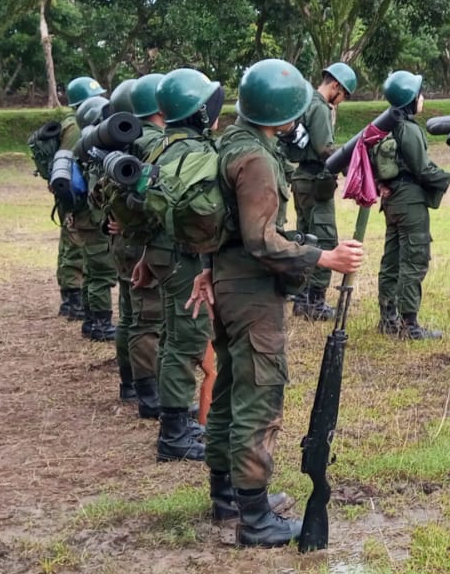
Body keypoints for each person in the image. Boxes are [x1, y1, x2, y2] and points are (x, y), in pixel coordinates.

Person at [185, 58, 364, 547]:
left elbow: (222, 224)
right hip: (251, 294)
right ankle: (256, 519)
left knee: (228, 393)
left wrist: (208, 269)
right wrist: (323, 256)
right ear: (282, 110)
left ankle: (228, 497)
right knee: (258, 399)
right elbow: (261, 240)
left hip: (228, 283)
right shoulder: (259, 160)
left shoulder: (233, 143)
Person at [134, 69, 224, 463]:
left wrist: (146, 256)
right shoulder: (197, 154)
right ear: (199, 111)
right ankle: (174, 435)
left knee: (173, 338)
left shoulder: (159, 149)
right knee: (186, 344)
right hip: (184, 259)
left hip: (161, 253)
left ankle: (179, 421)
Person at [374, 71, 450, 341]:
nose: (422, 98)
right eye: (419, 94)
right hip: (410, 201)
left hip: (392, 200)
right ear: (410, 99)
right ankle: (410, 325)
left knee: (392, 259)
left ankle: (388, 318)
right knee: (413, 259)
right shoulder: (408, 129)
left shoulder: (388, 126)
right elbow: (423, 170)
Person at [106, 78, 165, 413]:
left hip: (123, 241)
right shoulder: (154, 143)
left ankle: (131, 385)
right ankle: (150, 395)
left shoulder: (118, 139)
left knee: (130, 315)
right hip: (143, 243)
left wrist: (113, 219)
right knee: (148, 320)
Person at [281, 62, 356, 322]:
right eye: (344, 94)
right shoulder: (320, 107)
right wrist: (351, 161)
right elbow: (325, 149)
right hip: (316, 181)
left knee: (305, 238)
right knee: (324, 238)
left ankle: (301, 298)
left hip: (301, 179)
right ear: (335, 85)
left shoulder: (303, 102)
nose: (342, 100)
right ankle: (316, 301)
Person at [61, 90, 118, 342]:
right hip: (94, 220)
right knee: (102, 273)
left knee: (92, 271)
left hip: (83, 219)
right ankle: (101, 323)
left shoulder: (82, 147)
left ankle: (91, 320)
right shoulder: (92, 150)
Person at [55, 77, 102, 320]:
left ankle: (73, 296)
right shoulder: (75, 127)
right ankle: (72, 298)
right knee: (74, 245)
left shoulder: (72, 123)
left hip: (73, 193)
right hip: (76, 194)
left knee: (72, 242)